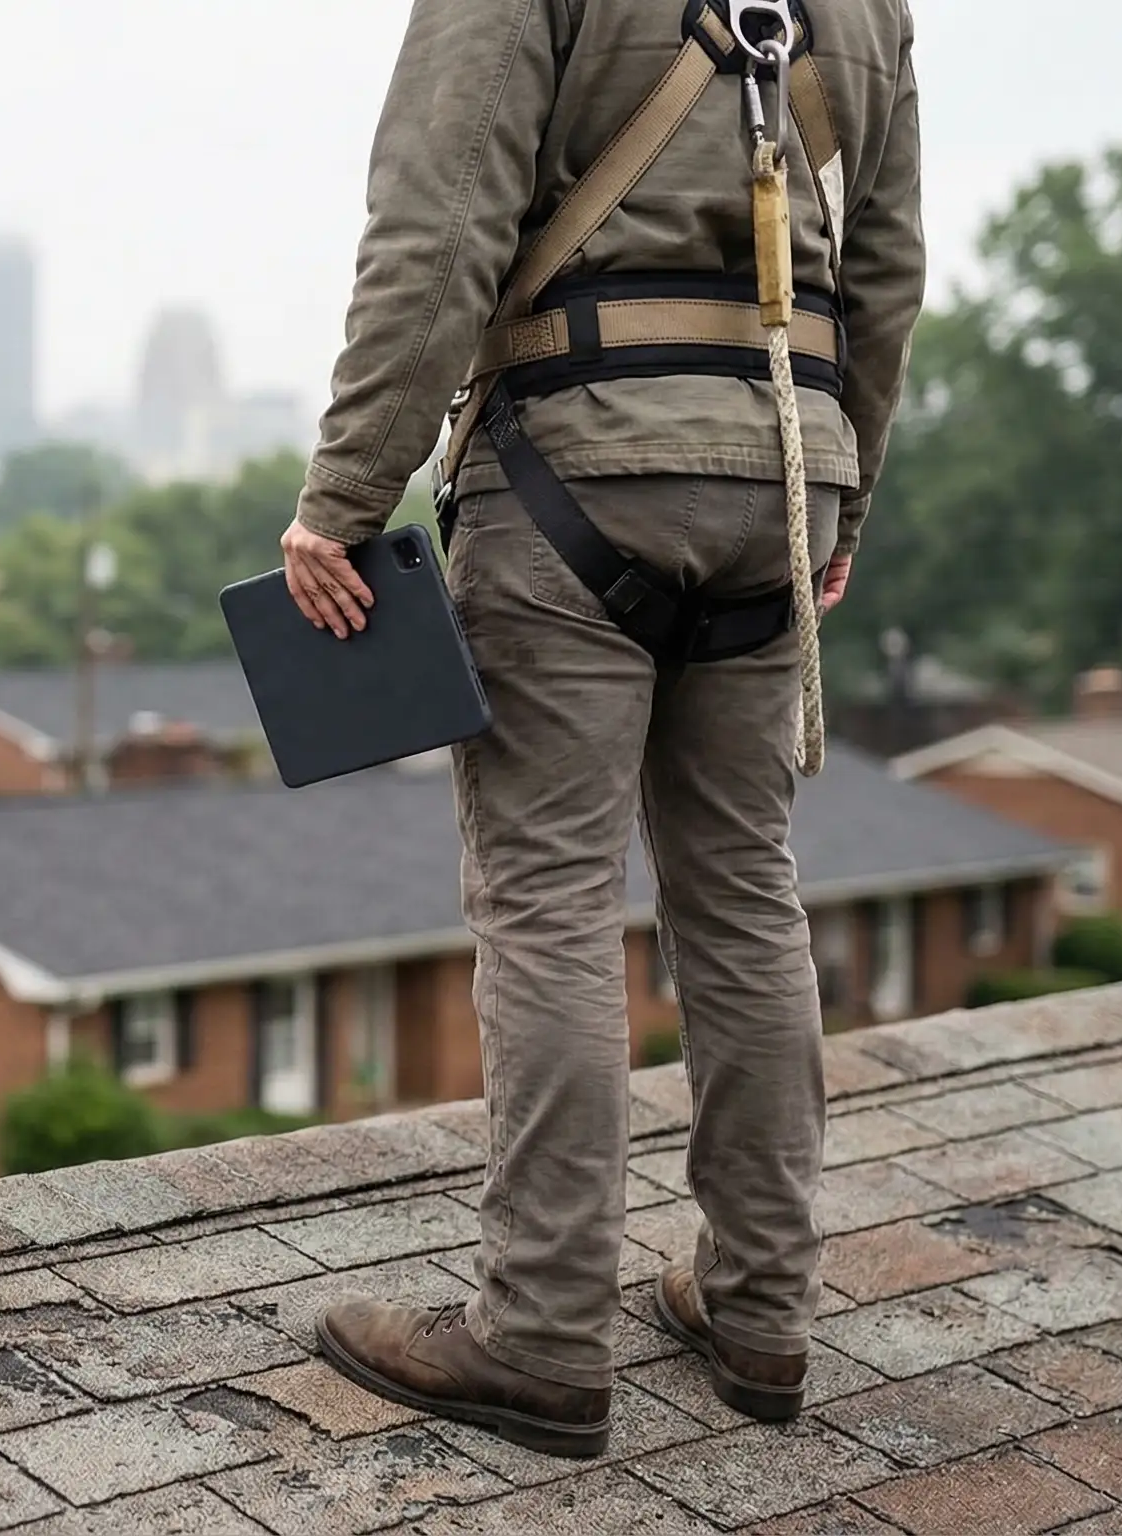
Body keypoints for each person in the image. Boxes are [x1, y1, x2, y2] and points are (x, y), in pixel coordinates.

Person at [287, 0, 925, 1459]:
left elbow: (435, 234)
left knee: (551, 900)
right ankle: (763, 1315)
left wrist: (343, 497)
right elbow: (884, 271)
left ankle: (541, 1334)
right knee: (744, 890)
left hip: (576, 466)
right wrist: (848, 492)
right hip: (785, 472)